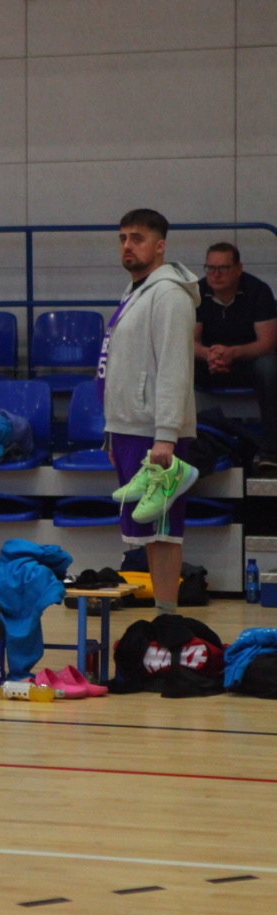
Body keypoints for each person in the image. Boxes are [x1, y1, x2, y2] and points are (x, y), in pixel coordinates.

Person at [100, 209, 200, 619]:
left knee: (163, 532)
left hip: (155, 431)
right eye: (123, 237)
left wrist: (166, 436)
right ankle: (162, 618)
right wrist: (112, 432)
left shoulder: (170, 295)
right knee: (145, 533)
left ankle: (167, 620)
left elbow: (175, 369)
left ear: (160, 246)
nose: (127, 245)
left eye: (137, 238)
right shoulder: (135, 290)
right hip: (128, 427)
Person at [194, 241, 277, 475]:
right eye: (210, 268)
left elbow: (268, 344)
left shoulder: (258, 291)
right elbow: (190, 341)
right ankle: (176, 445)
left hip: (246, 364)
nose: (215, 274)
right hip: (209, 363)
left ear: (238, 268)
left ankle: (271, 453)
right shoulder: (196, 292)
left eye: (223, 268)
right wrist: (209, 355)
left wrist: (233, 353)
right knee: (172, 360)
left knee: (269, 366)